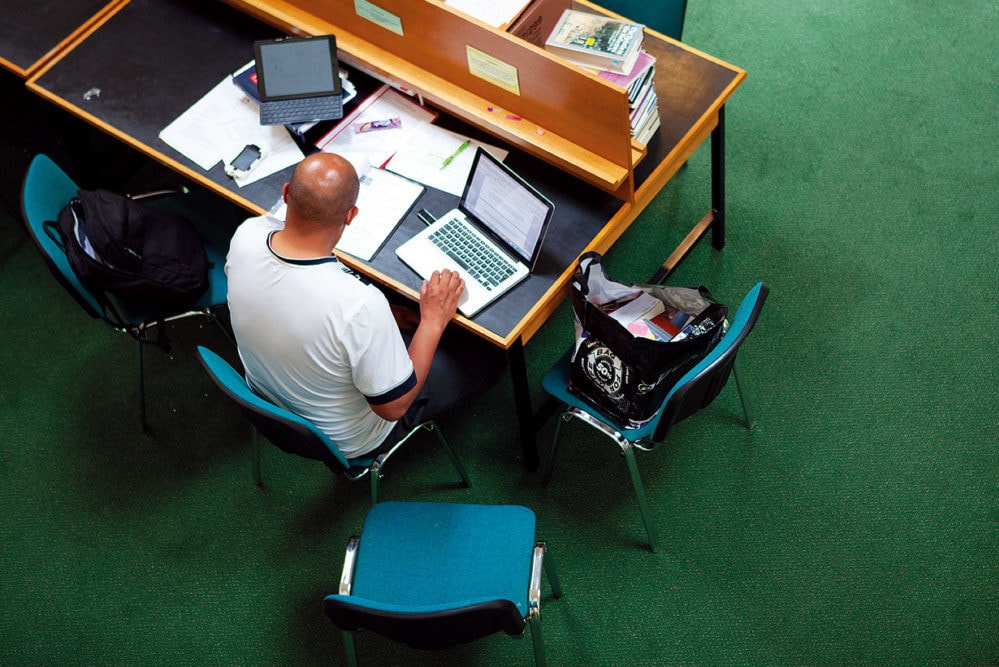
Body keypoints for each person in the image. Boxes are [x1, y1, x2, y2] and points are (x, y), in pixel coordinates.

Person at [225, 152, 504, 459]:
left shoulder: (246, 235)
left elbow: (290, 300)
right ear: (350, 216)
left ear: (286, 193)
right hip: (352, 437)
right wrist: (433, 321)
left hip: (271, 395)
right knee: (487, 354)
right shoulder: (360, 305)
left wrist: (380, 321)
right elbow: (393, 408)